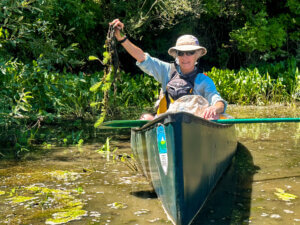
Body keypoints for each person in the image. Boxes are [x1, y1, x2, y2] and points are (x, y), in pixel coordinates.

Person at [110, 19, 227, 120]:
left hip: (194, 124)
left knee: (214, 116)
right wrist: (121, 38)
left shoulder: (204, 81)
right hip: (168, 121)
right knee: (145, 118)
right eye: (181, 53)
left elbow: (218, 102)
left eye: (190, 52)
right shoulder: (166, 70)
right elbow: (142, 58)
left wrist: (214, 108)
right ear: (176, 55)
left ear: (197, 55)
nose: (185, 57)